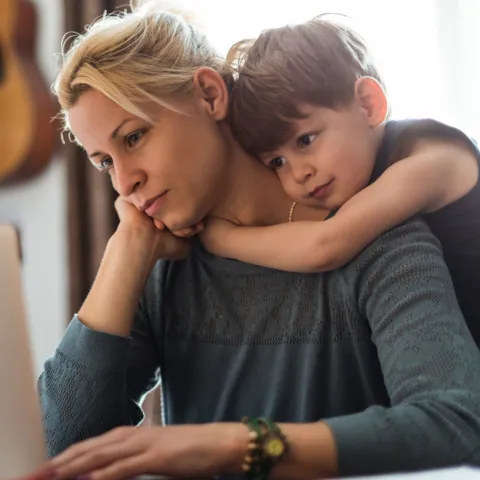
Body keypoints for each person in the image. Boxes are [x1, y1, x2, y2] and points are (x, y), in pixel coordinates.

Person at [32, 2, 480, 480]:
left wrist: (242, 444)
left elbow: (457, 422)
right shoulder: (160, 263)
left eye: (134, 137)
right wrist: (125, 249)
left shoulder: (379, 239)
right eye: (104, 162)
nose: (124, 183)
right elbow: (69, 448)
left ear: (208, 94)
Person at [201, 15, 480, 344]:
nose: (298, 174)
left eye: (305, 140)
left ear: (367, 104)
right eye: (277, 162)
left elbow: (326, 245)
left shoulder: (433, 157)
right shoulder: (358, 172)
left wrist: (221, 238)